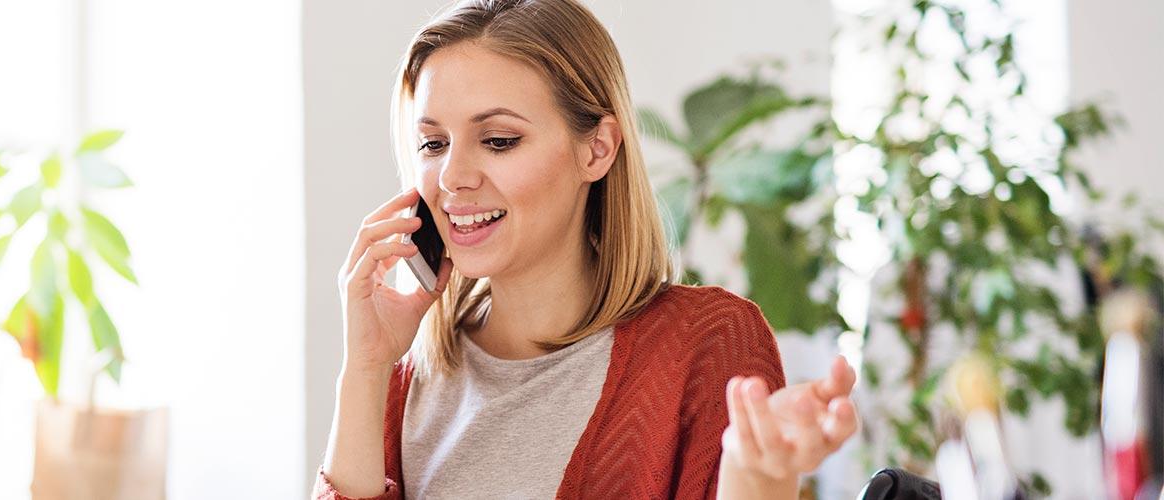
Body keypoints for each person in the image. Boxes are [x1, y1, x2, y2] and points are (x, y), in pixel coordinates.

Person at [314, 0, 860, 498]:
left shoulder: (706, 344)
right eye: (433, 144)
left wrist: (756, 476)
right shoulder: (409, 377)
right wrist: (364, 367)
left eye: (499, 140)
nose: (452, 176)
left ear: (596, 150)